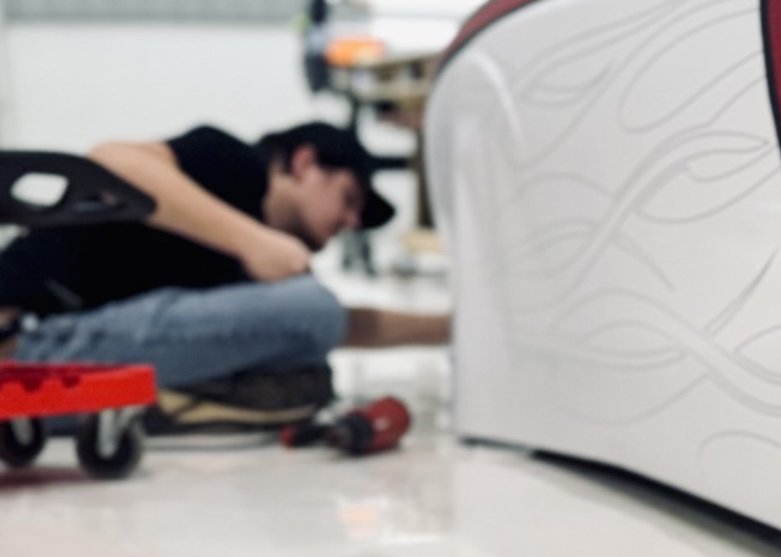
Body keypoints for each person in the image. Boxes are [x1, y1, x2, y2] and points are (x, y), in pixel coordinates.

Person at [0, 119, 447, 422]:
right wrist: (251, 241)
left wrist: (453, 327)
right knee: (310, 309)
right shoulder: (233, 165)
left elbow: (336, 327)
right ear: (304, 163)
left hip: (71, 353)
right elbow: (112, 160)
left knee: (308, 352)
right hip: (29, 339)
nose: (350, 223)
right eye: (349, 199)